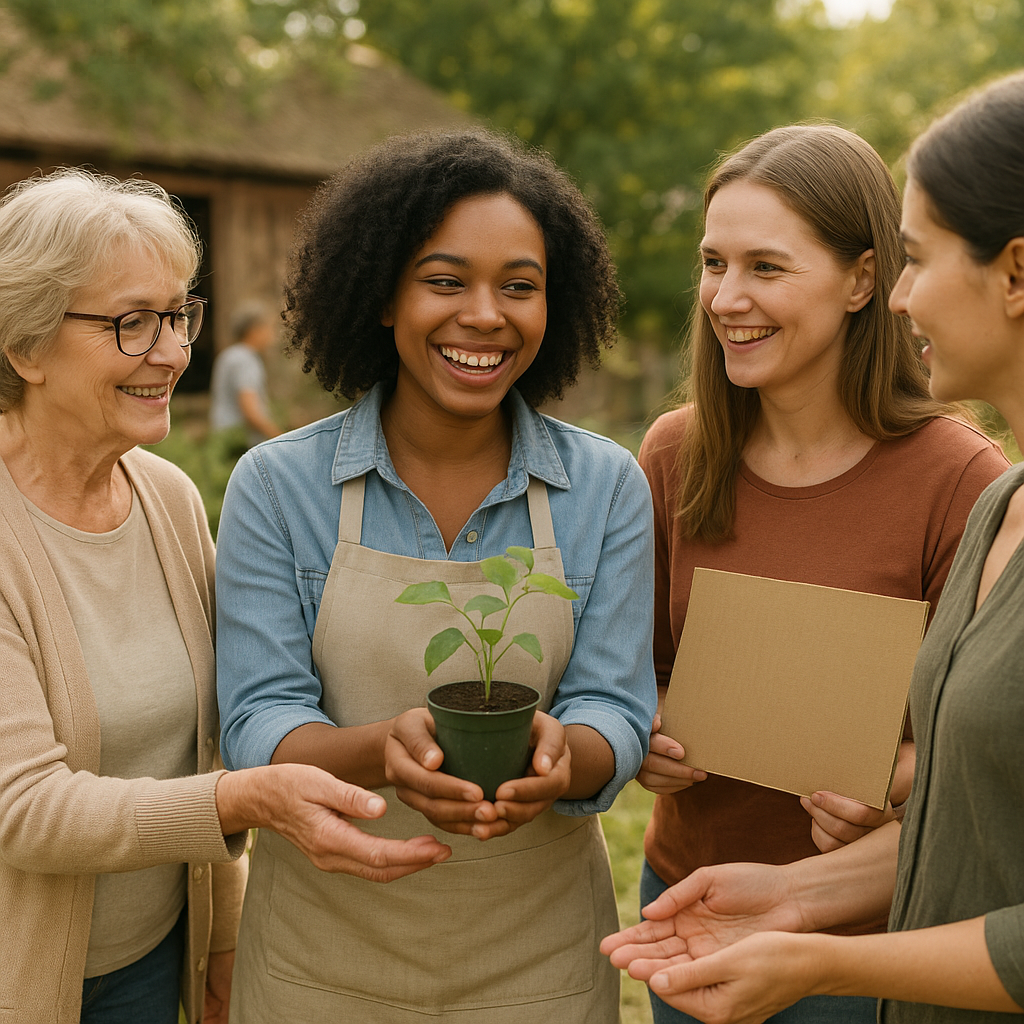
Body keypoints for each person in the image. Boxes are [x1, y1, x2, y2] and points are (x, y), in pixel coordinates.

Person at [602, 70, 1024, 1024]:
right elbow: (631, 664)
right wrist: (646, 725)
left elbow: (976, 736)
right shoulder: (675, 452)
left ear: (863, 280)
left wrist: (892, 783)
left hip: (873, 929)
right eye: (713, 263)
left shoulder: (964, 480)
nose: (726, 296)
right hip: (693, 896)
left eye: (767, 266)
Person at [215, 129, 657, 1023]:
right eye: (445, 281)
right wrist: (380, 749)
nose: (485, 315)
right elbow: (257, 717)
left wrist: (564, 758)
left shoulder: (606, 486)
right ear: (383, 295)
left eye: (519, 286)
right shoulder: (278, 485)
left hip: (539, 968)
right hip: (319, 964)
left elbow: (616, 704)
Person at [0, 169, 451, 1024]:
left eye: (177, 315)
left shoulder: (165, 498)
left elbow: (206, 738)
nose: (173, 351)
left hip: (152, 958)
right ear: (24, 347)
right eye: (132, 323)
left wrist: (222, 938)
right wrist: (246, 800)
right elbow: (25, 810)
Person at [209, 300, 281, 450]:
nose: (272, 334)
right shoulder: (245, 359)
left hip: (225, 437)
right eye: (268, 328)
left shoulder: (229, 355)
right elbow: (250, 410)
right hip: (239, 442)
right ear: (254, 330)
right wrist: (279, 437)